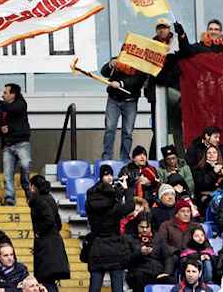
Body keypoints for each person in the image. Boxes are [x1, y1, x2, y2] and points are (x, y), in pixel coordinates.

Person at [85, 164, 135, 292]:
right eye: (107, 174)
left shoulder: (90, 198)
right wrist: (127, 190)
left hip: (96, 245)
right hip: (115, 247)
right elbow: (130, 206)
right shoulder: (115, 203)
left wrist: (116, 193)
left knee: (94, 287)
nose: (110, 177)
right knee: (117, 287)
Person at [0, 83, 31, 206]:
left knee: (25, 165)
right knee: (8, 173)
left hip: (22, 143)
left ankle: (28, 190)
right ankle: (10, 198)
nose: (3, 94)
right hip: (8, 146)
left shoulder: (21, 104)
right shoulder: (3, 110)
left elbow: (13, 108)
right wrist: (1, 130)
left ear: (13, 94)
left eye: (5, 92)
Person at [100, 57, 147, 160]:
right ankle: (107, 158)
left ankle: (124, 159)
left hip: (130, 102)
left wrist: (121, 84)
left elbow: (138, 81)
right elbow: (104, 72)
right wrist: (109, 65)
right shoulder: (117, 60)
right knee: (110, 129)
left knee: (127, 131)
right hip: (113, 100)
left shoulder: (140, 65)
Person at [28, 175, 70, 292]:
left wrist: (39, 234)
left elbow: (49, 220)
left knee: (46, 280)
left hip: (46, 247)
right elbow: (58, 223)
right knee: (49, 281)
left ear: (33, 187)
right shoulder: (49, 198)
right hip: (53, 244)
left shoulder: (39, 200)